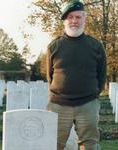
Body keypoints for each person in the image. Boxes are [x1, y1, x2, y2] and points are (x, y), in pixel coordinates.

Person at [46, 0, 106, 150]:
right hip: (59, 105)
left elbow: (101, 75)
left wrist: (92, 95)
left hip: (88, 104)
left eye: (78, 17)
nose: (74, 21)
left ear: (84, 19)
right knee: (53, 144)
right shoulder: (54, 46)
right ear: (65, 21)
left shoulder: (96, 46)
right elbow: (50, 75)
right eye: (70, 17)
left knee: (90, 145)